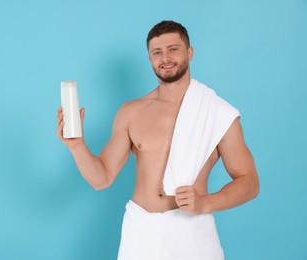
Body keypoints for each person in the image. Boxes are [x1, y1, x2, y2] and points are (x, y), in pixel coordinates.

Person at [56, 20, 259, 260]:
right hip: (142, 233)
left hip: (193, 233)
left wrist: (205, 203)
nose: (165, 57)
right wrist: (77, 146)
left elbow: (250, 183)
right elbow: (102, 179)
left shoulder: (217, 112)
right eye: (157, 52)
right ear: (150, 59)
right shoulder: (131, 112)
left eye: (173, 49)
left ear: (189, 52)